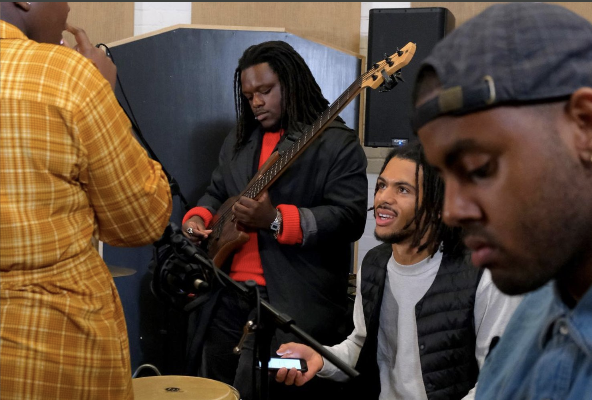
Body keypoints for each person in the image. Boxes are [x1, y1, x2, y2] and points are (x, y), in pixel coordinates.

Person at [411, 3, 592, 399]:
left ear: (585, 125)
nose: (451, 212)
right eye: (443, 178)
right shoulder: (532, 317)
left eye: (479, 168)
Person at [0, 3, 173, 400]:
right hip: (56, 353)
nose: (68, 7)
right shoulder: (67, 76)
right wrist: (101, 92)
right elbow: (142, 221)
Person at [181, 40, 368, 399]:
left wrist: (276, 219)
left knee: (263, 391)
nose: (256, 102)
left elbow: (349, 218)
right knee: (214, 390)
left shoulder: (336, 144)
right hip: (226, 294)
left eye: (265, 91)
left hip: (288, 305)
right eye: (249, 95)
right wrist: (198, 219)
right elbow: (216, 191)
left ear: (292, 84)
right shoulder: (239, 141)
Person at [275, 142, 522, 400]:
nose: (383, 198)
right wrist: (321, 359)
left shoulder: (485, 273)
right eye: (382, 185)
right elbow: (362, 346)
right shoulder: (374, 264)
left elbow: (499, 382)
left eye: (403, 190)